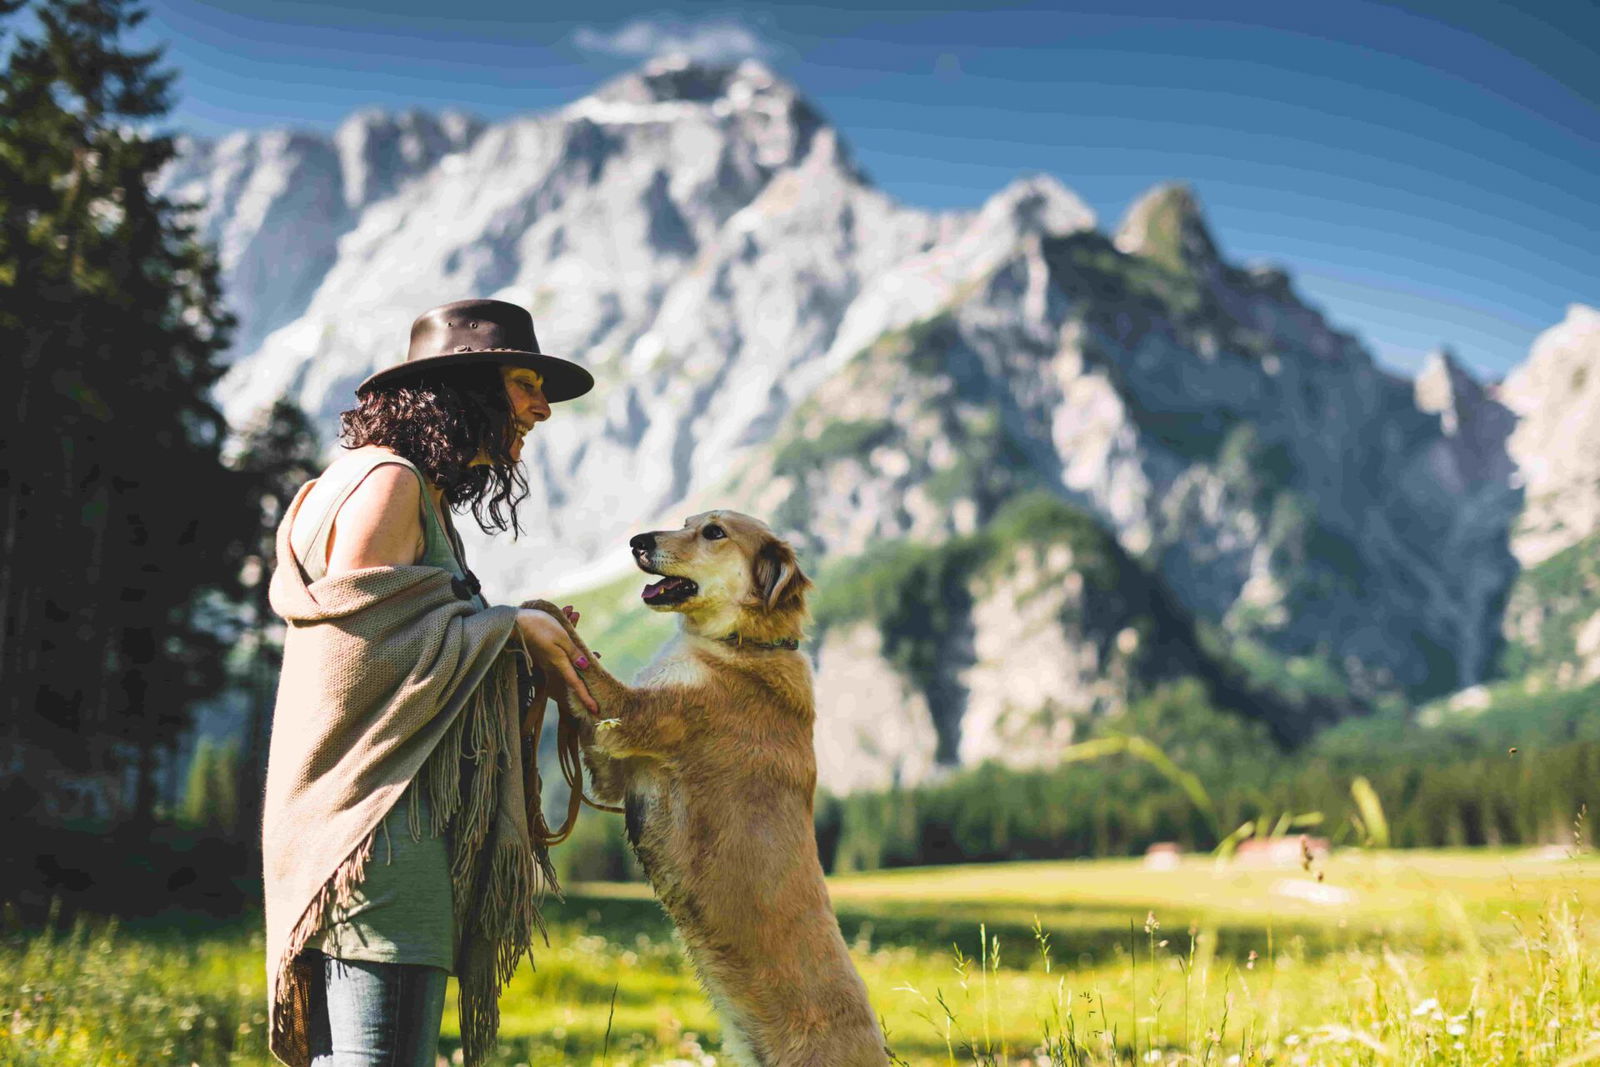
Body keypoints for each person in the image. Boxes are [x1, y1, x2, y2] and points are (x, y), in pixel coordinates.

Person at [260, 299, 600, 1067]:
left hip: (363, 821)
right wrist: (508, 628)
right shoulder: (388, 485)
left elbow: (395, 641)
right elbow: (362, 657)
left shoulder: (381, 484)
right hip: (379, 831)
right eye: (523, 383)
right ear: (464, 387)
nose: (541, 408)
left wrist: (517, 632)